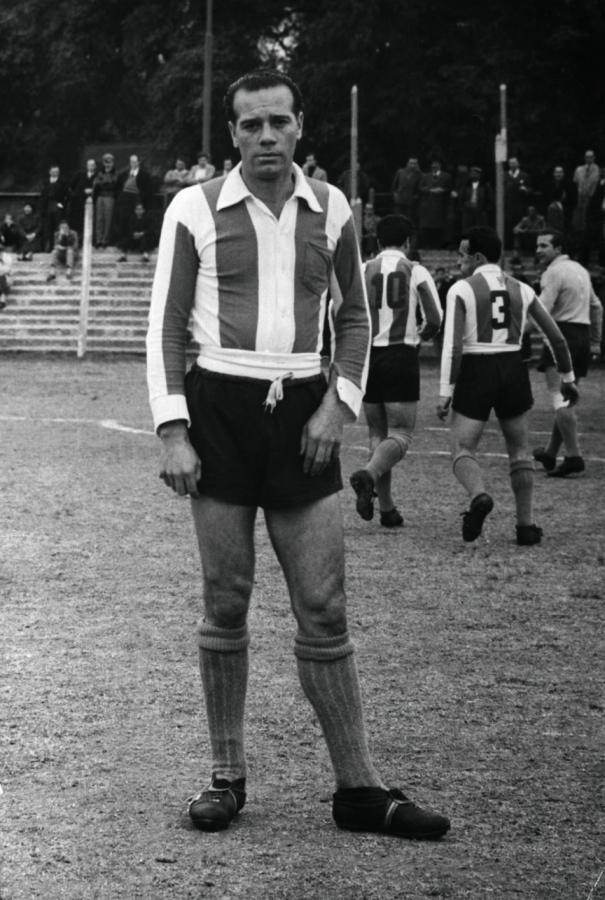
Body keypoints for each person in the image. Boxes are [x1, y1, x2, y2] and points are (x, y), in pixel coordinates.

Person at [146, 68, 450, 841]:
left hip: (303, 413)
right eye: (250, 126)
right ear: (232, 135)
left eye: (278, 122)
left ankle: (357, 789)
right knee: (227, 599)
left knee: (323, 605)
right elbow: (165, 325)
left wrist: (336, 405)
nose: (266, 138)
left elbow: (353, 320)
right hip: (218, 408)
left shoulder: (333, 208)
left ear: (301, 127)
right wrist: (174, 430)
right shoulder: (195, 206)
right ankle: (225, 776)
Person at [437, 226, 579, 545]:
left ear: (477, 257)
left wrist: (445, 392)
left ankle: (479, 496)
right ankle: (525, 525)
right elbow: (555, 337)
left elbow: (453, 347)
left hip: (477, 367)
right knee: (519, 449)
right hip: (513, 367)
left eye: (462, 254)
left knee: (462, 447)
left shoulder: (461, 289)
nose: (459, 260)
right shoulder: (522, 289)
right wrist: (568, 379)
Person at [349, 214, 442, 527]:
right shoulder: (414, 270)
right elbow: (435, 318)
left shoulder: (363, 269)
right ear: (408, 242)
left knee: (377, 432)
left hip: (368, 356)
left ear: (377, 242)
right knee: (401, 433)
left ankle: (387, 508)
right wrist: (421, 335)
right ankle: (369, 475)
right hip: (400, 353)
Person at [532, 231, 603, 477]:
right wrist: (594, 341)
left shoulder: (553, 272)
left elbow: (541, 308)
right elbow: (596, 306)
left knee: (559, 399)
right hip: (581, 335)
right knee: (566, 398)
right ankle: (551, 452)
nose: (538, 250)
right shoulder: (581, 270)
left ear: (558, 248)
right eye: (537, 245)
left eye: (544, 245)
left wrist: (518, 330)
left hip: (561, 335)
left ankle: (573, 455)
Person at [114, 154, 154, 256]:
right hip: (124, 201)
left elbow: (148, 189)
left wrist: (141, 199)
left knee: (136, 220)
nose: (133, 164)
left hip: (136, 200)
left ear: (138, 163)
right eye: (132, 162)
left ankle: (141, 246)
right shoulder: (124, 174)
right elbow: (118, 187)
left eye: (135, 162)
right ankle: (123, 245)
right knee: (124, 220)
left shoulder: (144, 175)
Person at [418, 158, 451, 249]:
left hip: (441, 206)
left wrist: (442, 190)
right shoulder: (425, 176)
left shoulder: (446, 176)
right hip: (428, 206)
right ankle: (427, 245)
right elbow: (420, 188)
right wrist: (430, 190)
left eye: (437, 164)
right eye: (433, 164)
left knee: (440, 227)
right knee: (427, 227)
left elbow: (450, 189)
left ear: (440, 165)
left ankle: (439, 245)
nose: (435, 166)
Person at [39, 165, 70, 252]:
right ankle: (48, 247)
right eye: (53, 171)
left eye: (57, 172)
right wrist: (42, 208)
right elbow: (42, 196)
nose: (55, 173)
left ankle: (56, 247)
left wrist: (62, 204)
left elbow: (67, 195)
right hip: (47, 206)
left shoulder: (63, 182)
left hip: (57, 206)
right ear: (50, 172)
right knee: (48, 227)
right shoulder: (45, 182)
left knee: (57, 226)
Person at [68, 157, 98, 244]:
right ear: (86, 166)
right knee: (78, 223)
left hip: (92, 203)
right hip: (79, 203)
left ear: (95, 166)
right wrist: (82, 191)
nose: (91, 167)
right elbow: (71, 187)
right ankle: (78, 241)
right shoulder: (80, 175)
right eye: (89, 165)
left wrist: (92, 191)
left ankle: (91, 241)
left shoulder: (98, 176)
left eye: (92, 165)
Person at [504, 157, 532, 250]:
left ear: (518, 164)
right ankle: (508, 246)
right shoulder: (504, 175)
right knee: (508, 226)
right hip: (508, 206)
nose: (512, 165)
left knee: (520, 226)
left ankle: (521, 247)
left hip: (520, 206)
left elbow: (530, 190)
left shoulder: (524, 176)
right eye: (510, 163)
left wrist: (525, 190)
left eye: (514, 163)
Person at [93, 152, 119, 248]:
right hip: (100, 197)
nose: (107, 164)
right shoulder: (100, 173)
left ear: (113, 163)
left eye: (109, 162)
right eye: (106, 162)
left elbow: (113, 185)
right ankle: (98, 239)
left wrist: (103, 183)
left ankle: (105, 240)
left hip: (109, 197)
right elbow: (97, 184)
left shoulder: (115, 173)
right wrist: (104, 183)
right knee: (99, 219)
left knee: (108, 219)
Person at [391, 157, 422, 226]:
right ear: (407, 163)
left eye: (414, 163)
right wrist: (395, 195)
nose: (412, 165)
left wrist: (415, 197)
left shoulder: (419, 175)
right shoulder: (400, 172)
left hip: (411, 203)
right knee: (397, 219)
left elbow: (420, 189)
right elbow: (394, 185)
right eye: (411, 163)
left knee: (408, 221)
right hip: (399, 201)